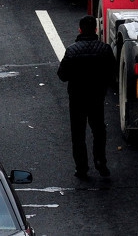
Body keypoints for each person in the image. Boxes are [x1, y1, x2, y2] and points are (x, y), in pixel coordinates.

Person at [57, 15, 116, 180]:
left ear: (80, 30)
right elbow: (112, 74)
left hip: (77, 99)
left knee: (78, 133)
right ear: (96, 30)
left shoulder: (72, 51)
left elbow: (62, 75)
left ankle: (81, 167)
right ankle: (100, 162)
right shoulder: (105, 50)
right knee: (98, 131)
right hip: (97, 97)